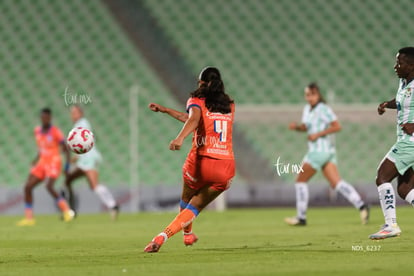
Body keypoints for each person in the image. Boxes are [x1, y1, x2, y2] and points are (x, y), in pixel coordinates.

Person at [144, 67, 235, 253]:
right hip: (225, 167)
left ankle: (181, 234)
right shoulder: (229, 105)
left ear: (201, 83)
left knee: (186, 198)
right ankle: (171, 236)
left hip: (201, 161)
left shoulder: (196, 100)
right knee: (196, 207)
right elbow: (192, 119)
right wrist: (166, 110)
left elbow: (193, 120)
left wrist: (180, 138)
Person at [284, 83, 369, 226]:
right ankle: (362, 205)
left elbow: (337, 126)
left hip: (319, 151)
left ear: (318, 94)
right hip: (326, 152)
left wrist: (318, 134)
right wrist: (296, 127)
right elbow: (305, 127)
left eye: (312, 95)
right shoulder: (307, 109)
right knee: (337, 183)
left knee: (300, 180)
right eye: (307, 95)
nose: (309, 98)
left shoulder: (324, 109)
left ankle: (301, 217)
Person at [369, 47, 414, 240]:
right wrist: (387, 105)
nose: (395, 66)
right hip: (405, 140)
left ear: (412, 65)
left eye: (400, 62)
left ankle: (390, 225)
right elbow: (403, 102)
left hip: (410, 142)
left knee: (382, 176)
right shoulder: (404, 83)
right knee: (405, 189)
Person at [17, 108, 74, 226]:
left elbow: (66, 149)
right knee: (27, 187)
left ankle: (67, 211)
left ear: (50, 118)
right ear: (41, 118)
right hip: (42, 162)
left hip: (54, 162)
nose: (44, 119)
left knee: (49, 186)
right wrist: (35, 160)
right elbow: (41, 148)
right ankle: (29, 218)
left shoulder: (55, 132)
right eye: (43, 117)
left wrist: (67, 166)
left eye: (47, 117)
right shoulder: (37, 131)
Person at [64, 105, 119, 219]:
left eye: (74, 112)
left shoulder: (82, 124)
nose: (72, 115)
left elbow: (85, 141)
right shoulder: (79, 125)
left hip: (89, 159)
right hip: (84, 160)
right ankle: (71, 210)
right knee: (68, 181)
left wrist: (73, 157)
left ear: (80, 114)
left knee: (94, 185)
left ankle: (113, 205)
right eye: (72, 113)